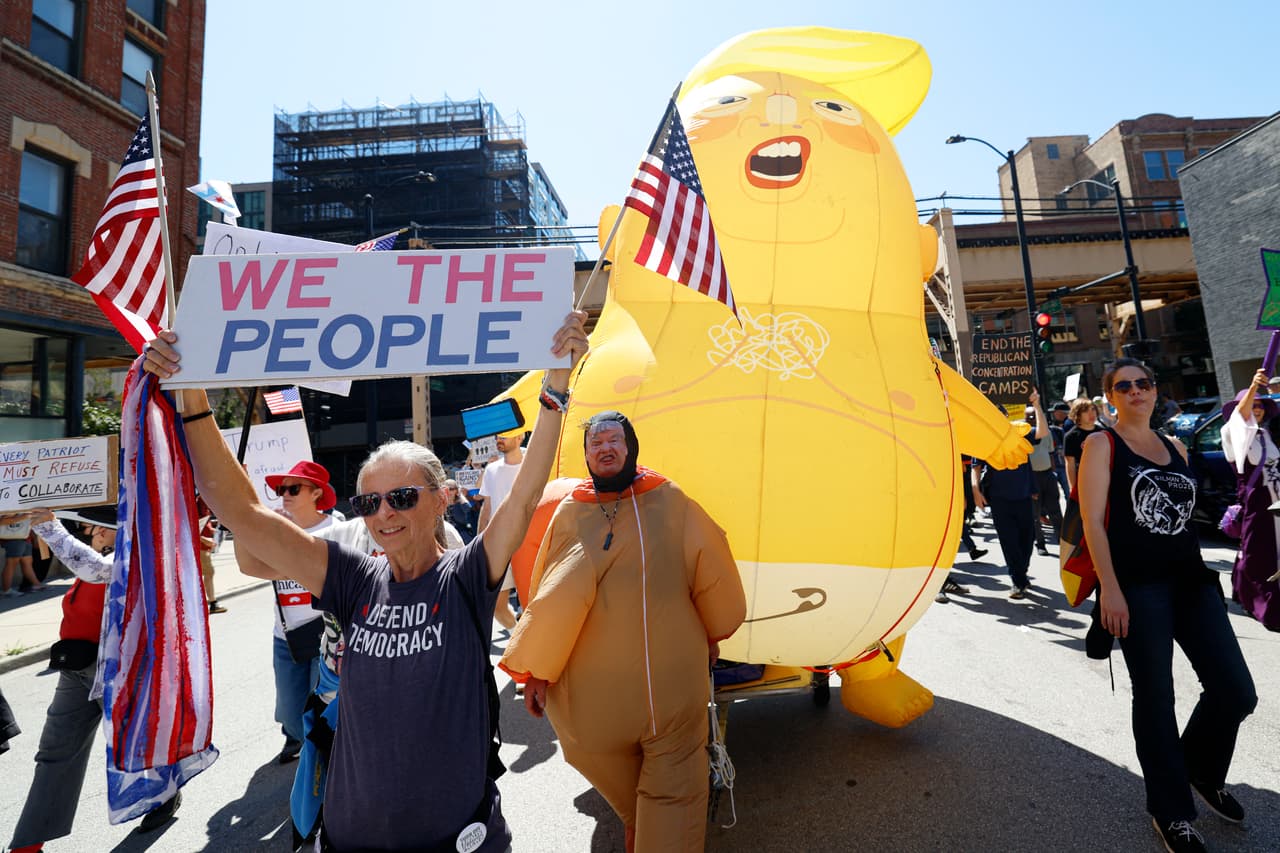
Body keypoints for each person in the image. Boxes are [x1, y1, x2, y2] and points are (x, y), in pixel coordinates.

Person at [143, 311, 587, 852]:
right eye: (369, 502)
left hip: (459, 840)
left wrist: (556, 385)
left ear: (441, 498)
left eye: (402, 497)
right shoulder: (353, 577)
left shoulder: (467, 575)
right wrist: (192, 396)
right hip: (349, 838)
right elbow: (244, 513)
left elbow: (523, 495)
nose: (383, 514)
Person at [500, 410, 746, 853]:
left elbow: (713, 571)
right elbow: (553, 598)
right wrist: (536, 671)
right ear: (587, 455)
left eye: (614, 440)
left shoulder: (671, 501)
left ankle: (649, 829)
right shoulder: (571, 513)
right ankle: (643, 822)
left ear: (630, 447)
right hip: (596, 711)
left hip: (670, 699)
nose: (605, 448)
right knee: (640, 797)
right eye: (596, 443)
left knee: (669, 800)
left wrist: (713, 633)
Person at [1079, 358, 1256, 853]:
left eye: (1143, 383)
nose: (1135, 391)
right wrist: (1110, 589)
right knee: (1156, 701)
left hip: (1192, 583)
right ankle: (1171, 811)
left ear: (1156, 391)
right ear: (1110, 396)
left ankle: (1198, 768)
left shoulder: (1176, 446)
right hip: (1137, 588)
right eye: (1123, 386)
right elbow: (1093, 522)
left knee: (1236, 692)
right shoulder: (1102, 444)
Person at [5, 506, 182, 853]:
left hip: (120, 673)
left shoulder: (138, 555)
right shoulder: (107, 553)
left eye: (94, 527)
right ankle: (27, 845)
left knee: (135, 745)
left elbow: (95, 568)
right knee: (54, 754)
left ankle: (164, 794)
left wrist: (50, 527)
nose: (89, 532)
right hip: (77, 668)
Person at [263, 460, 340, 765]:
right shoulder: (276, 529)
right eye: (281, 489)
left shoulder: (337, 529)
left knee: (321, 711)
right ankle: (300, 739)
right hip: (286, 638)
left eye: (293, 488)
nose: (285, 494)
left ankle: (324, 772)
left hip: (327, 637)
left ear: (316, 493)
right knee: (290, 713)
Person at [1219, 368, 1280, 631]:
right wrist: (1254, 384)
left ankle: (1244, 589)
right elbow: (1238, 418)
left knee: (1272, 553)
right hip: (1256, 503)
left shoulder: (1265, 434)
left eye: (1260, 406)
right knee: (1259, 555)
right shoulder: (1231, 433)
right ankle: (1264, 605)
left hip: (1276, 499)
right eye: (1251, 405)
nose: (1256, 410)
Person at [974, 391, 1046, 599]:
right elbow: (976, 468)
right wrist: (976, 491)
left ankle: (1021, 573)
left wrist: (1037, 405)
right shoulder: (984, 439)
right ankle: (1018, 581)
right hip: (998, 498)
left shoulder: (1019, 433)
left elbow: (1042, 433)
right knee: (1009, 541)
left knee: (1027, 538)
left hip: (1023, 495)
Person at [477, 429, 527, 630]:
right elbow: (486, 507)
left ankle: (528, 649)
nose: (499, 439)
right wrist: (479, 542)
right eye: (498, 436)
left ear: (520, 436)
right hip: (500, 545)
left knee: (531, 603)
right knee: (496, 606)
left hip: (530, 540)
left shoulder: (533, 463)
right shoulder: (491, 470)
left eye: (504, 436)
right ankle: (518, 639)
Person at [1025, 405, 1063, 558]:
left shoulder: (1045, 433)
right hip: (1032, 478)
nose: (1033, 419)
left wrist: (1054, 474)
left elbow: (1051, 453)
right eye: (1029, 417)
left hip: (1047, 475)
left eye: (1034, 416)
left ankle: (1063, 541)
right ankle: (1040, 545)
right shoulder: (1022, 436)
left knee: (1055, 511)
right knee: (1035, 515)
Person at [1063, 397, 1103, 494]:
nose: (1091, 414)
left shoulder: (1103, 432)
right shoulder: (1071, 437)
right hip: (1084, 482)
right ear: (1078, 414)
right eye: (1085, 411)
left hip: (1104, 478)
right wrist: (1072, 487)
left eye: (1093, 409)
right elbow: (1070, 464)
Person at [2, 515, 45, 596]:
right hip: (12, 537)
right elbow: (2, 521)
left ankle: (37, 585)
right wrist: (24, 516)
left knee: (27, 562)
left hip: (25, 536)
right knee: (11, 563)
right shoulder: (8, 506)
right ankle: (6, 590)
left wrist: (34, 537)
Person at [445, 479, 477, 543]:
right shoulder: (441, 504)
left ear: (456, 491)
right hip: (447, 535)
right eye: (446, 489)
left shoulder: (461, 503)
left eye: (451, 489)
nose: (448, 491)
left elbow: (468, 510)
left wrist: (460, 494)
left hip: (462, 535)